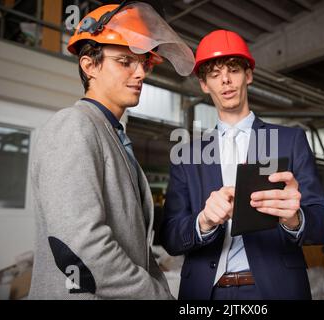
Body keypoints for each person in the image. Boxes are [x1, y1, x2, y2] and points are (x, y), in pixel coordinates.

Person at [29, 2, 194, 299]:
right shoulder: (74, 126)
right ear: (89, 65)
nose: (140, 73)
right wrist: (154, 296)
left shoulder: (113, 136)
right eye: (124, 61)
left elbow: (136, 248)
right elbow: (82, 245)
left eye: (143, 63)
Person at [161, 30, 324, 300]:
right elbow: (171, 237)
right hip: (206, 294)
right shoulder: (187, 155)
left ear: (249, 75)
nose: (226, 80)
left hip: (275, 290)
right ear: (204, 84)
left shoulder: (290, 141)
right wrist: (203, 222)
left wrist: (295, 218)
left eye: (233, 70)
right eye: (215, 74)